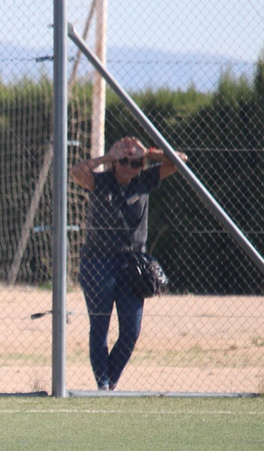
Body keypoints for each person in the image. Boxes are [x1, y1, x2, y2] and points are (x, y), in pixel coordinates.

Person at [69, 136, 187, 390]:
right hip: (98, 262)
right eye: (123, 161)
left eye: (134, 163)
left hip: (133, 264)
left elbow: (180, 162)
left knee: (131, 331)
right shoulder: (101, 182)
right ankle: (103, 386)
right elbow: (76, 172)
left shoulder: (144, 180)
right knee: (99, 326)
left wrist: (149, 152)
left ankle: (109, 383)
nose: (128, 166)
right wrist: (106, 158)